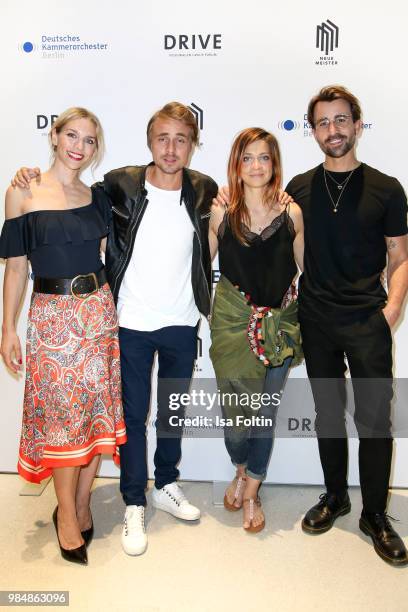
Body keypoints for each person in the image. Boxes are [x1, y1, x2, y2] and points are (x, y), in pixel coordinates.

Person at [12, 101, 218, 556]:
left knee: (173, 414)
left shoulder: (205, 190)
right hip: (128, 321)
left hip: (183, 322)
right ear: (149, 141)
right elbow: (60, 201)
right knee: (130, 417)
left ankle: (166, 484)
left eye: (181, 139)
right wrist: (26, 177)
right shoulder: (118, 185)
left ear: (192, 145)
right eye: (162, 138)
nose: (171, 148)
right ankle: (132, 501)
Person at [285, 85, 408, 566]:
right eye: (322, 122)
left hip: (367, 321)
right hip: (315, 319)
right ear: (312, 130)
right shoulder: (296, 187)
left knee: (375, 421)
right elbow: (253, 208)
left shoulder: (387, 188)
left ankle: (375, 515)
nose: (332, 130)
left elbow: (400, 257)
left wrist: (391, 310)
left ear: (357, 125)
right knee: (328, 415)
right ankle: (335, 497)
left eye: (341, 121)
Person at [0, 107, 127, 565]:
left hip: (97, 314)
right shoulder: (22, 191)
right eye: (71, 135)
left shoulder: (97, 198)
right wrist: (6, 328)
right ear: (54, 136)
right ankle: (67, 519)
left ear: (96, 149)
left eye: (89, 140)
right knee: (62, 422)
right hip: (52, 321)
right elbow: (16, 269)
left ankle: (80, 502)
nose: (79, 145)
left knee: (94, 417)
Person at [208, 128, 304, 532]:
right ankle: (240, 468)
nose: (256, 166)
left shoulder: (292, 214)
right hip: (231, 330)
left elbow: (310, 272)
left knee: (265, 414)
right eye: (247, 158)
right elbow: (193, 267)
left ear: (274, 164)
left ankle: (251, 491)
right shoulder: (220, 213)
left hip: (279, 329)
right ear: (236, 164)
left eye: (264, 157)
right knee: (235, 418)